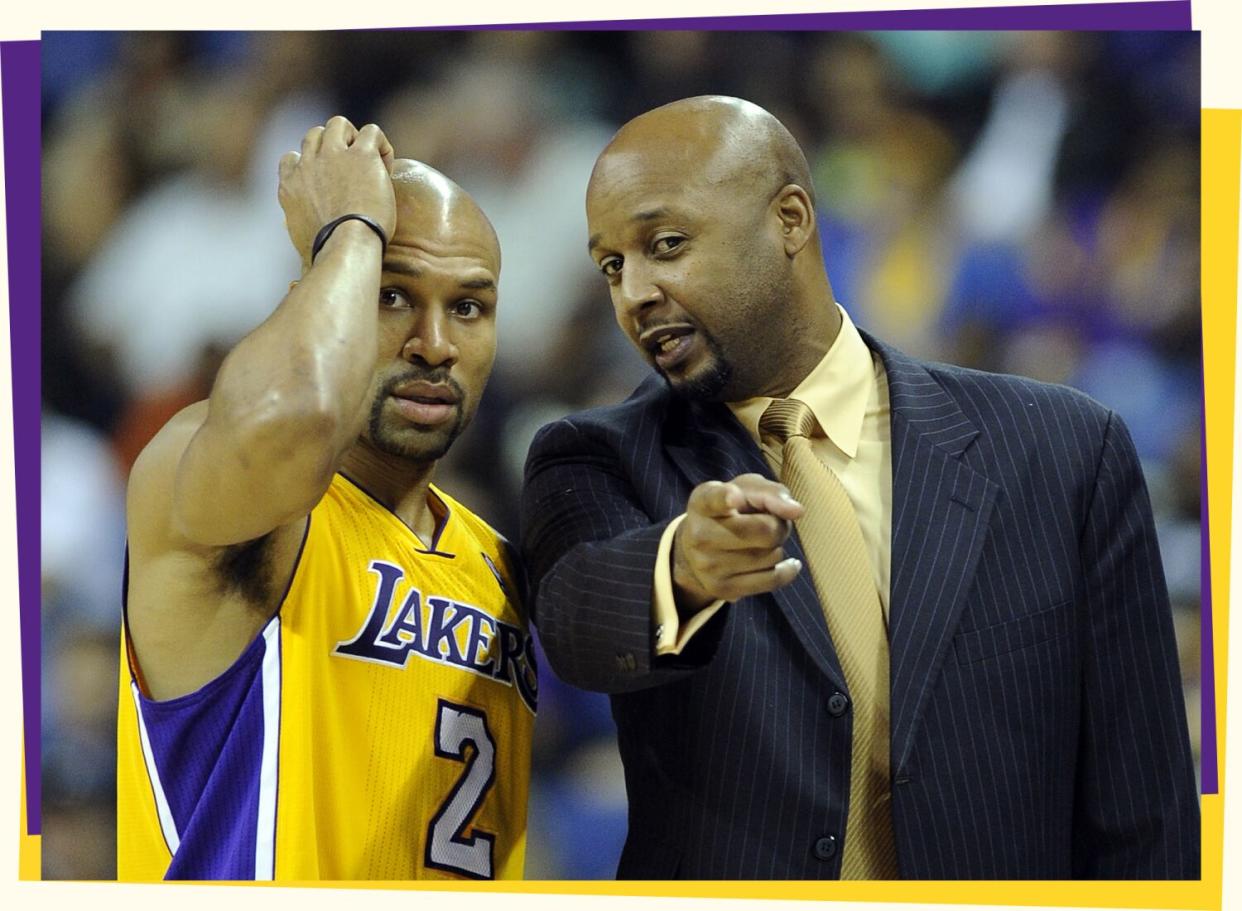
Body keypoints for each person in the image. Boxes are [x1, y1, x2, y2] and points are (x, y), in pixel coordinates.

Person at [520, 96, 1199, 880]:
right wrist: (679, 566)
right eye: (612, 265)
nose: (633, 292)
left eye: (665, 244)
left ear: (791, 220)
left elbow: (1146, 813)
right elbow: (574, 615)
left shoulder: (1066, 449)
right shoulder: (594, 454)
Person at [117, 116, 536, 881]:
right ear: (323, 303)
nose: (435, 343)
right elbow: (302, 411)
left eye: (469, 308)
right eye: (390, 296)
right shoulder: (232, 493)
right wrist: (347, 231)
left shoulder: (507, 566)